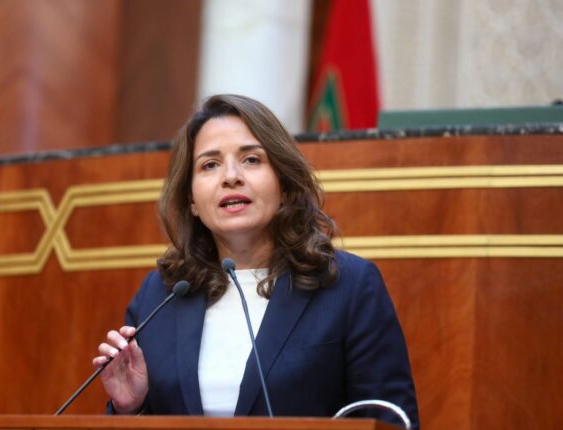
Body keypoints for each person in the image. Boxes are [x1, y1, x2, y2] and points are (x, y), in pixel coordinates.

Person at [93, 94, 419, 427]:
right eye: (210, 164)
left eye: (251, 159)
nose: (230, 176)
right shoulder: (161, 294)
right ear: (191, 200)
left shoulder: (348, 285)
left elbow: (391, 419)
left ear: (284, 185)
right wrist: (131, 409)